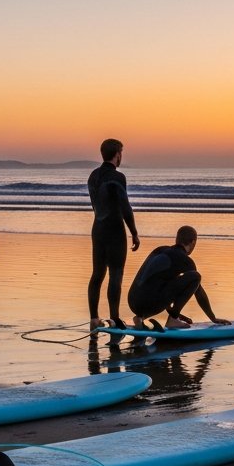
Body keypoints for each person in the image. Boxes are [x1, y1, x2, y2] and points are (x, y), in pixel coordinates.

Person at [127, 225, 230, 330]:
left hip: (133, 301)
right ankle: (172, 320)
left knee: (162, 282)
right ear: (193, 242)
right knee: (195, 277)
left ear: (176, 239)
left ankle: (140, 318)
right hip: (149, 302)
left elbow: (156, 283)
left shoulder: (159, 250)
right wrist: (213, 318)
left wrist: (174, 311)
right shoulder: (185, 261)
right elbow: (199, 292)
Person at [87, 138, 140, 331]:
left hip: (98, 229)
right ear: (117, 154)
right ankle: (115, 318)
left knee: (97, 274)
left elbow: (96, 205)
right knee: (115, 274)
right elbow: (125, 206)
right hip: (115, 230)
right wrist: (134, 232)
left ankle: (94, 318)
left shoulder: (92, 176)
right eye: (121, 153)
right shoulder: (118, 177)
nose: (121, 157)